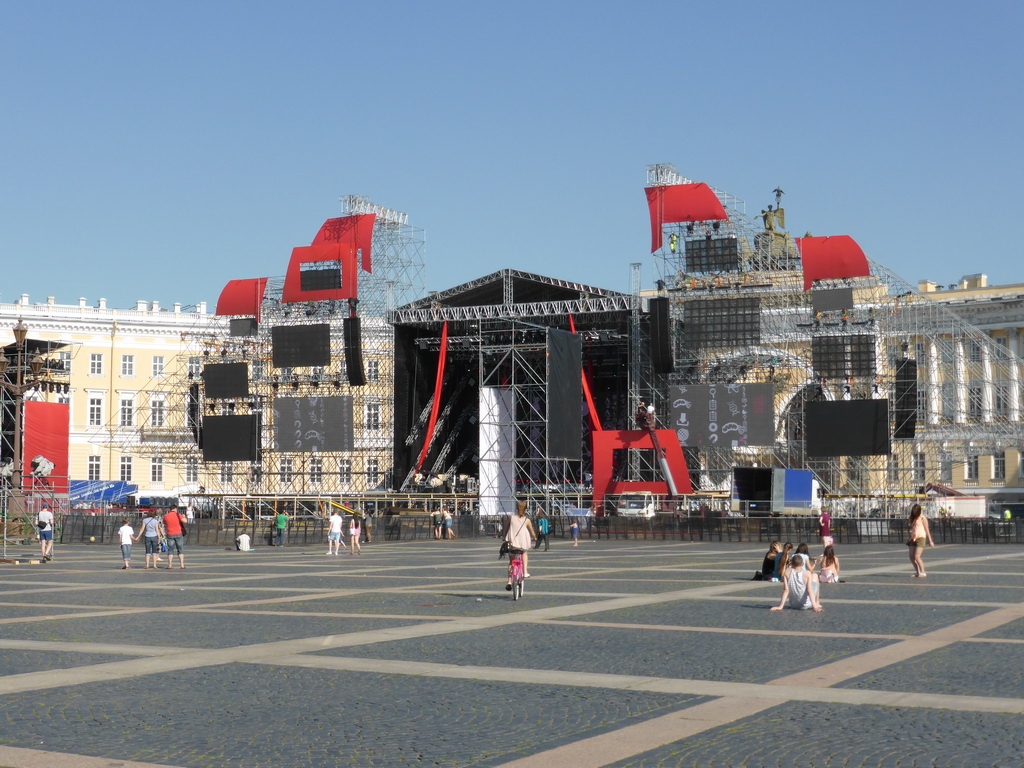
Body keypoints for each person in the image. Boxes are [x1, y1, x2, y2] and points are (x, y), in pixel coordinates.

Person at [504, 501, 536, 583]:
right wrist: (534, 537)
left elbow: (506, 528)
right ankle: (525, 572)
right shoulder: (527, 520)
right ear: (525, 509)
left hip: (512, 544)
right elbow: (531, 531)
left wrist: (504, 537)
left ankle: (509, 581)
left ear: (516, 508)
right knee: (525, 553)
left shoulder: (511, 518)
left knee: (511, 562)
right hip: (522, 544)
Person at [908, 503, 934, 577]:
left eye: (916, 511)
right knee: (911, 556)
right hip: (913, 538)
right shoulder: (913, 518)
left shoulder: (923, 518)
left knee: (917, 556)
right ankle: (917, 571)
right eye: (913, 511)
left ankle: (923, 572)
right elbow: (914, 529)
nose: (914, 512)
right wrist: (911, 537)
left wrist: (930, 541)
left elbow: (927, 529)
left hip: (921, 538)